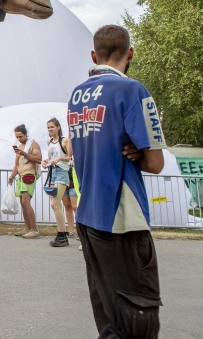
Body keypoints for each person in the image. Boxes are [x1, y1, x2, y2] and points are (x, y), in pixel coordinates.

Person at [68, 24, 165, 338]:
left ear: (94, 55)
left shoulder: (77, 95)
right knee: (138, 315)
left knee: (109, 317)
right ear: (130, 53)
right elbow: (156, 163)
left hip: (88, 216)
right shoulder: (132, 90)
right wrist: (139, 150)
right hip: (123, 217)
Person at [7, 124, 42, 239]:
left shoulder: (33, 145)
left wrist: (25, 154)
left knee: (26, 202)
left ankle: (34, 229)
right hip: (21, 176)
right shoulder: (20, 147)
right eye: (17, 137)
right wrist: (12, 175)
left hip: (29, 176)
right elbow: (17, 165)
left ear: (26, 134)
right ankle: (27, 227)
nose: (19, 139)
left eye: (21, 136)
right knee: (23, 203)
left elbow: (38, 159)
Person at [42, 117, 72, 247]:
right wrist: (45, 161)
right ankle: (62, 235)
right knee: (56, 204)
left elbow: (69, 157)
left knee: (55, 204)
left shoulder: (64, 141)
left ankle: (62, 234)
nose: (50, 129)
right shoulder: (49, 142)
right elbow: (50, 157)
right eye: (48, 127)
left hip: (61, 172)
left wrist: (59, 158)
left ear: (58, 127)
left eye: (52, 127)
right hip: (52, 172)